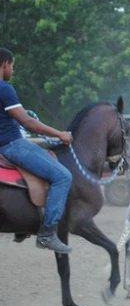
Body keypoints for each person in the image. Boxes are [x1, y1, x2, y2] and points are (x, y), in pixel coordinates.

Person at [0, 47, 74, 253]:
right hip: (12, 145)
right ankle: (48, 234)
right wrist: (60, 134)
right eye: (12, 66)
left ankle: (22, 226)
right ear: (5, 64)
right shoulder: (4, 88)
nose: (12, 71)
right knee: (62, 176)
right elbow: (27, 121)